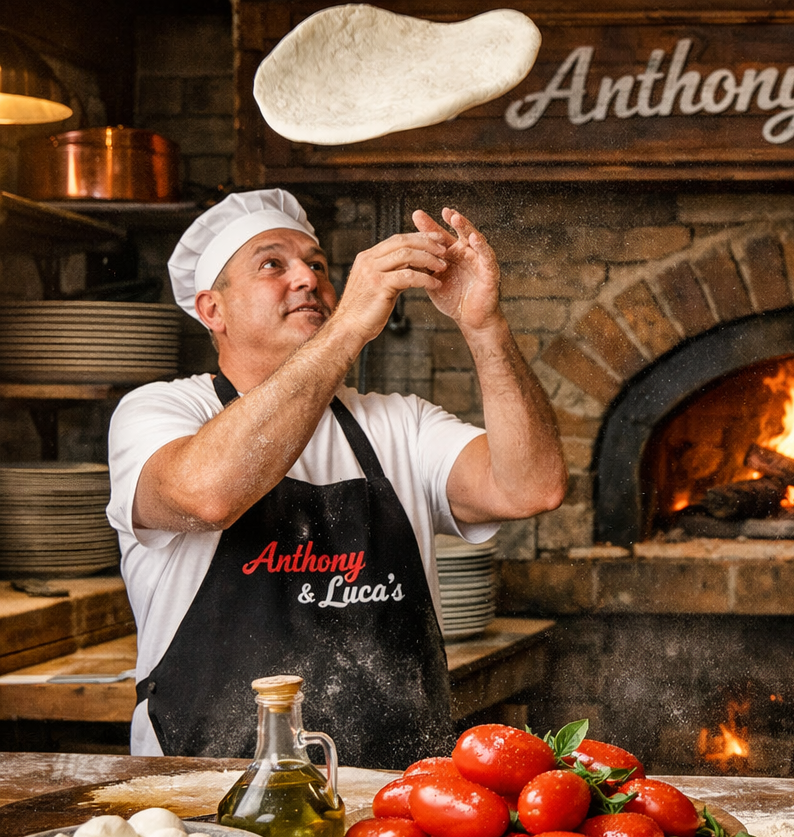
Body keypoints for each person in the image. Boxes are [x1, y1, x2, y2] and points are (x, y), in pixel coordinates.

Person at [107, 189, 566, 769]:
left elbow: (532, 487)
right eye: (273, 263)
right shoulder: (162, 412)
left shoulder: (399, 423)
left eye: (317, 265)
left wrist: (484, 326)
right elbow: (207, 494)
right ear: (212, 310)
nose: (307, 278)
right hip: (207, 790)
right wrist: (348, 325)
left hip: (396, 798)